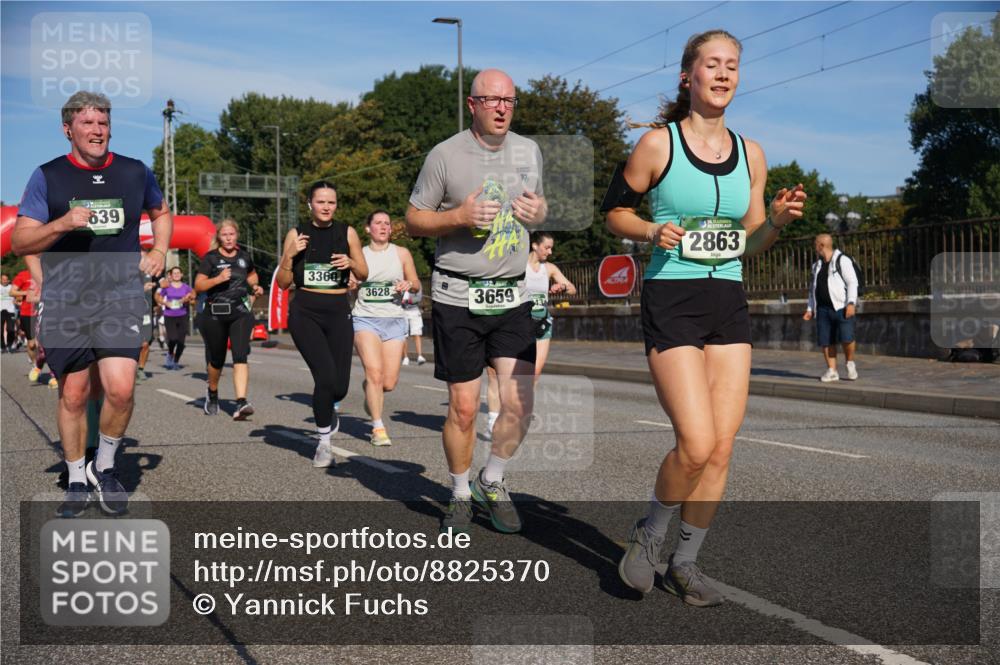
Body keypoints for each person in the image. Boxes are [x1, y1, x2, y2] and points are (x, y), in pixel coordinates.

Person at [603, 30, 806, 604]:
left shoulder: (753, 153)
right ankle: (650, 533)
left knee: (721, 446)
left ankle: (685, 564)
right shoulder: (657, 145)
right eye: (711, 65)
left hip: (728, 303)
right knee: (694, 442)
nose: (722, 74)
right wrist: (648, 229)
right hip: (673, 299)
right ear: (687, 77)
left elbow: (749, 242)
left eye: (732, 67)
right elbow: (614, 211)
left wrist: (779, 222)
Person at [11, 91, 172, 517]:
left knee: (120, 389)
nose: (97, 131)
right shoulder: (48, 176)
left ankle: (105, 466)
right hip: (67, 300)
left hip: (119, 295)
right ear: (68, 130)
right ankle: (77, 477)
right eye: (87, 124)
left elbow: (161, 211)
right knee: (76, 393)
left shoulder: (135, 172)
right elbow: (19, 240)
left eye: (102, 123)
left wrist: (159, 249)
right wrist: (61, 223)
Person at [406, 68, 547, 535]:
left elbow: (539, 205)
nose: (502, 107)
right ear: (473, 105)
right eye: (492, 100)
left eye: (509, 100)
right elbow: (413, 220)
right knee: (464, 409)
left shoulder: (529, 151)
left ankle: (493, 479)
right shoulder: (444, 155)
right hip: (457, 296)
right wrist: (459, 216)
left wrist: (539, 211)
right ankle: (461, 492)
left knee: (519, 403)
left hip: (511, 295)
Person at [276, 181, 367, 466]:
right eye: (321, 202)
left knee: (339, 386)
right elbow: (282, 282)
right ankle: (324, 443)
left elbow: (364, 271)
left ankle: (329, 408)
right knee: (325, 377)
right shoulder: (297, 233)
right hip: (306, 312)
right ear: (310, 204)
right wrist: (290, 256)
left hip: (339, 311)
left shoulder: (347, 232)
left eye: (331, 202)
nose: (326, 207)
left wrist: (351, 262)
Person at [484, 230, 577, 434]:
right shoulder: (518, 265)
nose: (550, 252)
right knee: (496, 374)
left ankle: (522, 410)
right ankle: (493, 418)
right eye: (547, 247)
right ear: (534, 245)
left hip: (541, 323)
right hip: (515, 324)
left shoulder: (549, 268)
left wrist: (562, 287)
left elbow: (572, 289)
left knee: (533, 373)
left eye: (551, 247)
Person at [352, 210, 420, 447]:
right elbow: (349, 283)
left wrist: (408, 284)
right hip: (365, 319)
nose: (383, 227)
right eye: (377, 223)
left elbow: (416, 283)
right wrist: (351, 282)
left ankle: (370, 391)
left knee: (387, 383)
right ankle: (378, 427)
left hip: (394, 320)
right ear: (367, 228)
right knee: (375, 373)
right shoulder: (358, 255)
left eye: (387, 224)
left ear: (391, 230)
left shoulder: (401, 253)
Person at [196, 219, 263, 420]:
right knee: (216, 359)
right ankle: (213, 392)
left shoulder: (244, 257)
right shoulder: (211, 258)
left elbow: (252, 275)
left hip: (241, 312)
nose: (228, 238)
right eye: (224, 235)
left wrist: (255, 287)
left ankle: (241, 401)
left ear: (237, 235)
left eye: (231, 234)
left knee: (240, 354)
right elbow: (198, 286)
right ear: (219, 237)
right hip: (215, 314)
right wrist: (217, 279)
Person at [803, 233, 859, 382]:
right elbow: (812, 289)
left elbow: (852, 282)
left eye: (815, 244)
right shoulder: (817, 266)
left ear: (821, 245)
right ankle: (832, 370)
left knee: (847, 338)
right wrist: (810, 309)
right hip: (822, 309)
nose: (814, 247)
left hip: (841, 306)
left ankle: (850, 362)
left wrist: (851, 303)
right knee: (826, 340)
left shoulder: (842, 260)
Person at [156, 266, 195, 369]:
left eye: (178, 273)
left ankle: (176, 362)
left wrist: (189, 300)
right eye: (174, 273)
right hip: (169, 316)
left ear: (182, 275)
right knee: (173, 338)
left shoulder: (186, 287)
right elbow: (158, 297)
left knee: (181, 342)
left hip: (183, 315)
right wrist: (165, 302)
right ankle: (170, 353)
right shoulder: (166, 287)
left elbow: (193, 298)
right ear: (171, 275)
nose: (176, 275)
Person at [401, 283, 426, 366]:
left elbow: (418, 298)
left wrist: (407, 300)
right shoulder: (400, 281)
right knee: (404, 335)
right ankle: (405, 357)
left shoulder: (417, 283)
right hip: (403, 311)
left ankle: (420, 356)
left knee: (417, 333)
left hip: (414, 311)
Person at [1, 273, 17, 352]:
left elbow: (18, 297)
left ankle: (9, 345)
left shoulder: (12, 287)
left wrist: (16, 300)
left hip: (11, 310)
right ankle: (2, 346)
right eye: (3, 279)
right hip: (0, 310)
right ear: (0, 279)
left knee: (10, 329)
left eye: (6, 280)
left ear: (8, 280)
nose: (4, 281)